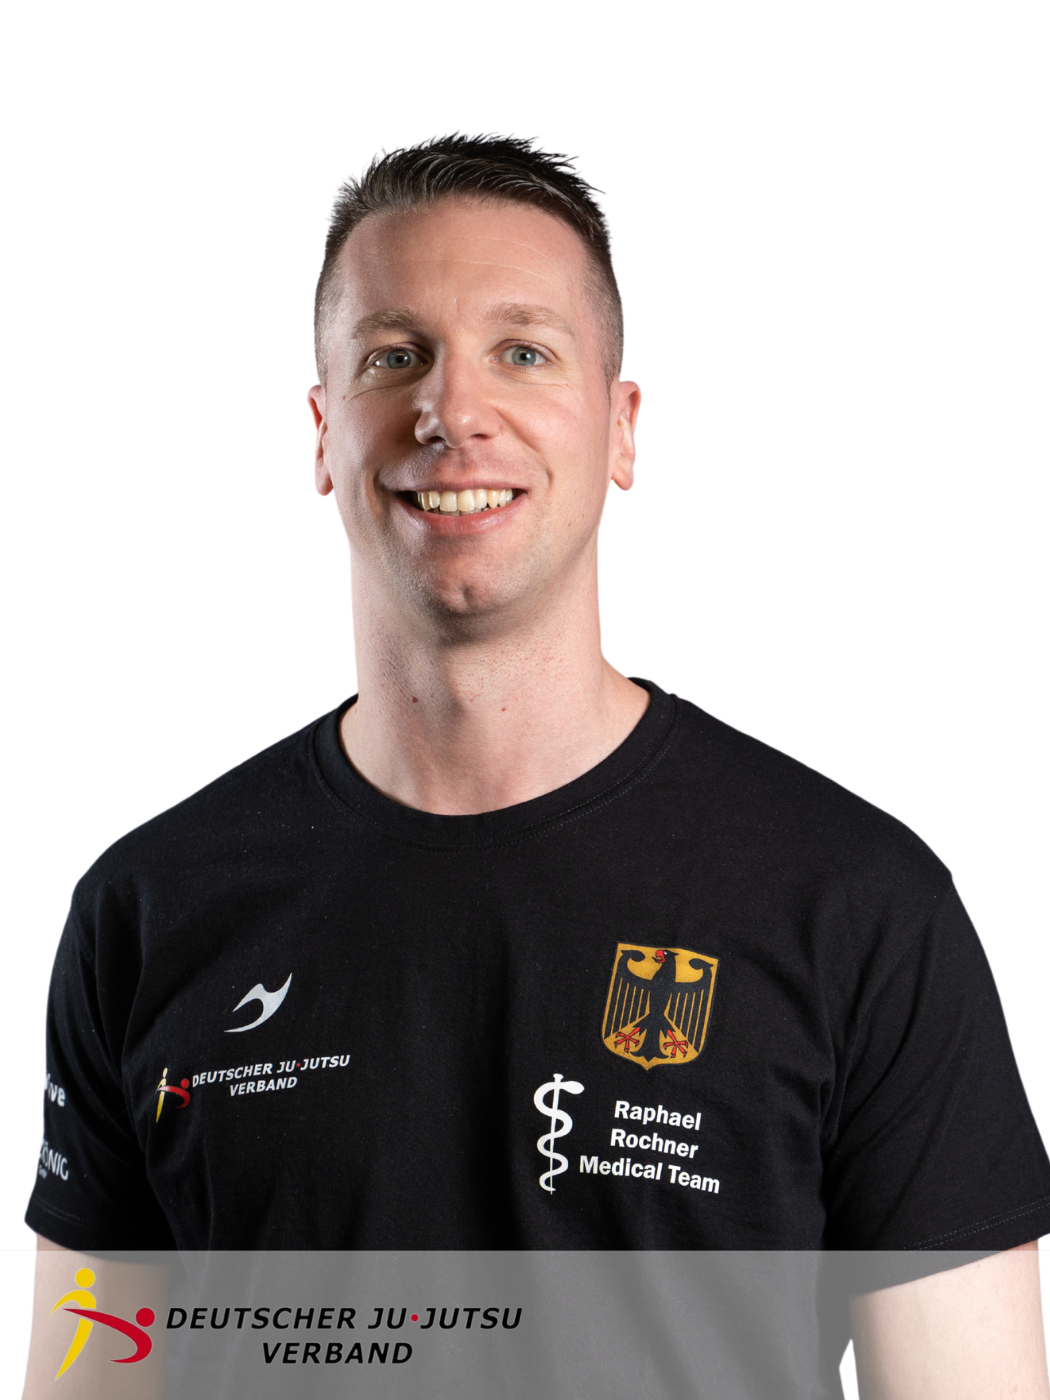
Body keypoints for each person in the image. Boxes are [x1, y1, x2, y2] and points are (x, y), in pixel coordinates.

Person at [23, 136, 1050, 1397]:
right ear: (323, 433)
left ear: (621, 427)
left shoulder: (857, 907)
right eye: (394, 356)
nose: (453, 411)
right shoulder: (147, 913)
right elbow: (88, 1369)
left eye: (523, 351)